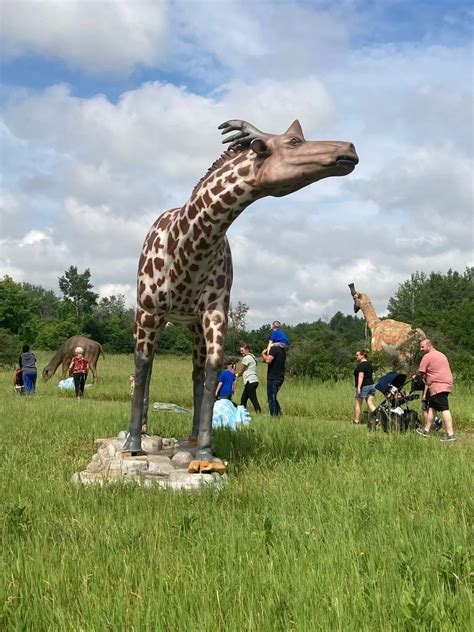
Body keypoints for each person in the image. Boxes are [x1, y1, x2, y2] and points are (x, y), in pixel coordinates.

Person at [415, 339, 456, 441]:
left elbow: (421, 372)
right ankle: (426, 430)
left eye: (422, 347)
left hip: (439, 386)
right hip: (446, 384)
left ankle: (451, 435)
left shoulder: (427, 356)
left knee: (444, 408)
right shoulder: (441, 354)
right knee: (432, 408)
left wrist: (415, 377)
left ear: (429, 346)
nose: (421, 349)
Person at [261, 344, 287, 416]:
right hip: (280, 377)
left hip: (273, 377)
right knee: (273, 397)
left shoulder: (274, 349)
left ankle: (274, 416)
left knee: (271, 398)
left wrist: (263, 353)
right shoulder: (282, 350)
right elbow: (265, 360)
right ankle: (279, 414)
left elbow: (268, 360)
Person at [353, 349, 376, 424]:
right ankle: (378, 418)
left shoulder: (361, 365)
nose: (356, 356)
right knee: (370, 403)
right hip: (371, 385)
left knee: (358, 404)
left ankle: (356, 421)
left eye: (357, 355)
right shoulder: (369, 364)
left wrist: (359, 388)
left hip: (364, 386)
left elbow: (361, 377)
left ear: (362, 355)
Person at [236, 343, 261, 413]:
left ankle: (258, 412)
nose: (241, 352)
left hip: (249, 381)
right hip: (254, 380)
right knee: (243, 399)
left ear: (247, 350)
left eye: (242, 350)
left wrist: (235, 376)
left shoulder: (246, 358)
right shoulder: (253, 356)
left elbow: (241, 370)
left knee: (253, 399)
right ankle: (242, 413)